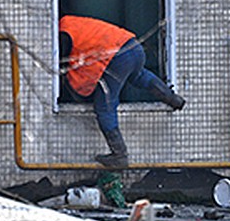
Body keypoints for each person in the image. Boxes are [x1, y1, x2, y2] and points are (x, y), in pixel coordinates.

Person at [59, 14, 185, 168]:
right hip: (133, 46)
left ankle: (119, 155)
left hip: (117, 57)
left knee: (105, 105)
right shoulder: (72, 24)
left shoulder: (63, 33)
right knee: (139, 76)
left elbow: (63, 63)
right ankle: (172, 98)